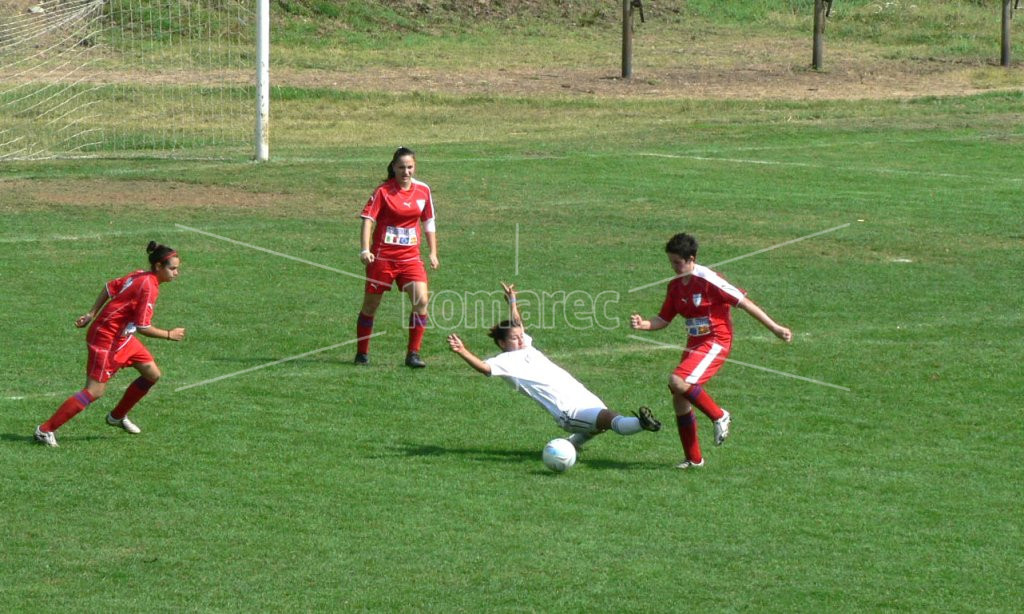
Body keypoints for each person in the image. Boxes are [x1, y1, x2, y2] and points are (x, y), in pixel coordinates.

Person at [630, 232, 792, 469]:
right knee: (679, 397)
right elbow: (663, 319)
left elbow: (744, 303)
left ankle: (719, 415)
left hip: (716, 340)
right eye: (671, 262)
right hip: (694, 345)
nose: (674, 267)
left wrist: (775, 328)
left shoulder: (709, 280)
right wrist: (643, 324)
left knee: (677, 381)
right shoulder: (675, 286)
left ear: (691, 259)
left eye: (678, 262)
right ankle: (694, 459)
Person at [448, 283, 661, 454]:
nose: (521, 339)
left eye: (522, 335)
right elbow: (485, 368)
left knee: (601, 424)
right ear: (503, 344)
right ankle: (643, 424)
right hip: (567, 410)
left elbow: (518, 324)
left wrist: (512, 302)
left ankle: (571, 445)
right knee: (609, 418)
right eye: (515, 338)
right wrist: (462, 351)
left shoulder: (526, 346)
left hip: (580, 396)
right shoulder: (506, 361)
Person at [34, 241, 186, 447]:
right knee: (94, 391)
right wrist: (169, 334)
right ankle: (45, 430)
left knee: (152, 374)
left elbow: (109, 287)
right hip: (106, 340)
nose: (176, 273)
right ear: (159, 267)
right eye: (173, 268)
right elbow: (143, 327)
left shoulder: (139, 275)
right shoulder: (148, 287)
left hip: (123, 338)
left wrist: (91, 313)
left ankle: (117, 417)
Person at [354, 147, 438, 368]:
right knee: (371, 306)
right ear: (393, 167)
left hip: (410, 259)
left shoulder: (423, 191)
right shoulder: (383, 192)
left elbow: (428, 222)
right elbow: (368, 220)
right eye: (401, 167)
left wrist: (433, 252)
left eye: (410, 167)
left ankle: (413, 354)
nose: (406, 172)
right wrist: (365, 250)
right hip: (382, 259)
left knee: (421, 301)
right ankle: (362, 353)